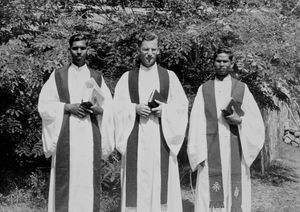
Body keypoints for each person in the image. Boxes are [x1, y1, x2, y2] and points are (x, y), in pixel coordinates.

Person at [38, 34, 114, 212]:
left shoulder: (97, 77)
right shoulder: (58, 76)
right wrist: (67, 107)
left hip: (89, 137)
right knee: (67, 181)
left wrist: (99, 110)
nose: (79, 52)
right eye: (75, 48)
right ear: (69, 50)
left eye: (82, 48)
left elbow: (110, 108)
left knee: (87, 181)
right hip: (67, 135)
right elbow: (44, 106)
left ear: (88, 50)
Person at [113, 32, 188, 212]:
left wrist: (165, 111)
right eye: (145, 49)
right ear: (138, 50)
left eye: (153, 49)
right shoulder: (127, 78)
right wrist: (134, 109)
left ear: (159, 50)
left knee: (162, 184)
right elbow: (115, 109)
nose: (149, 53)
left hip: (161, 139)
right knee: (137, 185)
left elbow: (182, 107)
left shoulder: (169, 77)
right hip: (135, 140)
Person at [187, 48, 265, 212]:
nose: (221, 64)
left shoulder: (241, 89)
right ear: (213, 63)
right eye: (218, 61)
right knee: (207, 196)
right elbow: (196, 122)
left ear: (231, 64)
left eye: (225, 61)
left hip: (235, 153)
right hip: (209, 153)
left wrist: (240, 121)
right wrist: (197, 153)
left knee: (234, 194)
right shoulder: (204, 89)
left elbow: (256, 123)